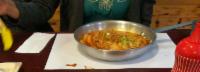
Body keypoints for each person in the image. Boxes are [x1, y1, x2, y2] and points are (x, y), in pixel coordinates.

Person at [0, 0, 156, 32]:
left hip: (126, 49)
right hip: (77, 48)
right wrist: (9, 7)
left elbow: (144, 17)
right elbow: (42, 9)